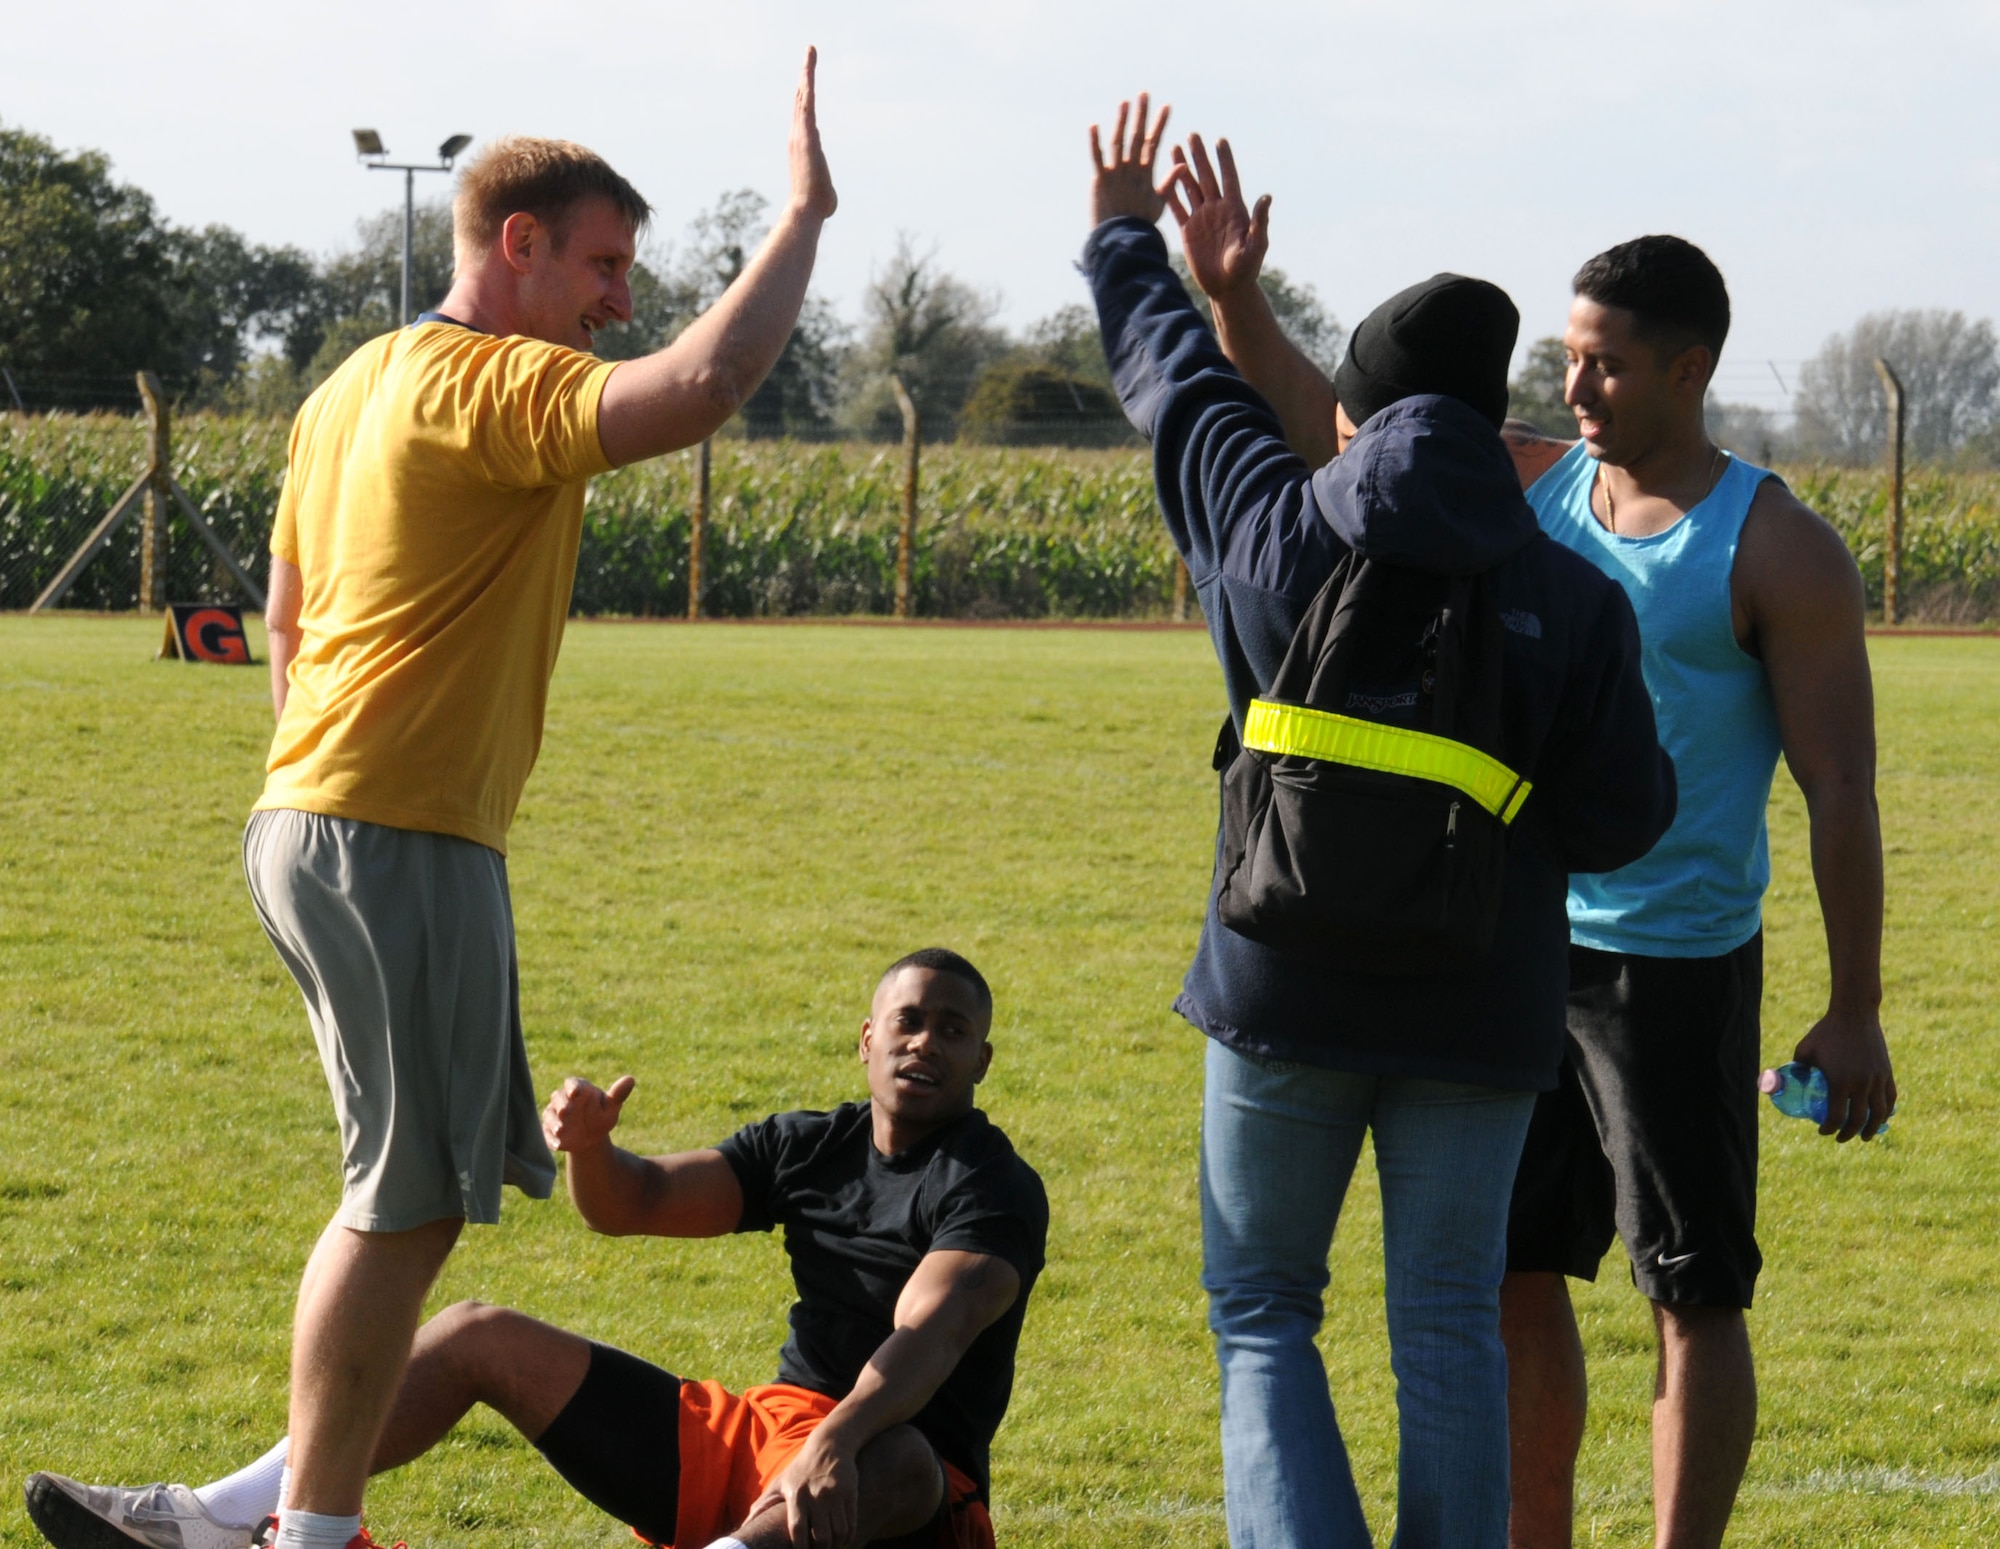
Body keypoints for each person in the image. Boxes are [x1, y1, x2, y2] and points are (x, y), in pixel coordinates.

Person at [128, 51, 837, 1549]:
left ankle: (253, 1511)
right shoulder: (484, 381)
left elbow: (286, 622)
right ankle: (293, 1535)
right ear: (514, 242)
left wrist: (329, 778)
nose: (618, 302)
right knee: (401, 1203)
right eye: (602, 264)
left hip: (319, 818)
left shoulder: (347, 387)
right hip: (396, 829)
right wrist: (802, 220)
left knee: (414, 1195)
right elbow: (700, 385)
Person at [1161, 136, 1897, 1549]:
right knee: (1503, 1277)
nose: (1573, 386)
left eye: (1607, 363)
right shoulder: (1528, 489)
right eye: (1565, 357)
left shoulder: (1777, 548)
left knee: (1691, 1290)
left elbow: (1843, 789)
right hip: (1505, 950)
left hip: (1675, 966)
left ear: (1691, 369)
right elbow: (1350, 428)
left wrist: (1853, 1005)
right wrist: (1237, 305)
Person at [1081, 99, 1675, 1548]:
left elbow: (1172, 381)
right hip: (1479, 1006)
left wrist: (1124, 238)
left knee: (1267, 1310)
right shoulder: (1574, 597)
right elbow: (1626, 818)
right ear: (1489, 421)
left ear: (1359, 411)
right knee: (1447, 1323)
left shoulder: (1272, 523)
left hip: (1279, 982)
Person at [25, 950, 1047, 1549]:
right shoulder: (809, 1144)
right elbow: (634, 1203)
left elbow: (934, 1329)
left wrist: (837, 1437)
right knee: (475, 1332)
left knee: (898, 1455)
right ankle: (226, 1514)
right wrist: (595, 1150)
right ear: (864, 1038)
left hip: (902, 1494)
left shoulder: (992, 1183)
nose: (924, 1042)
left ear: (980, 1059)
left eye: (951, 1030)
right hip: (763, 1436)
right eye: (906, 1022)